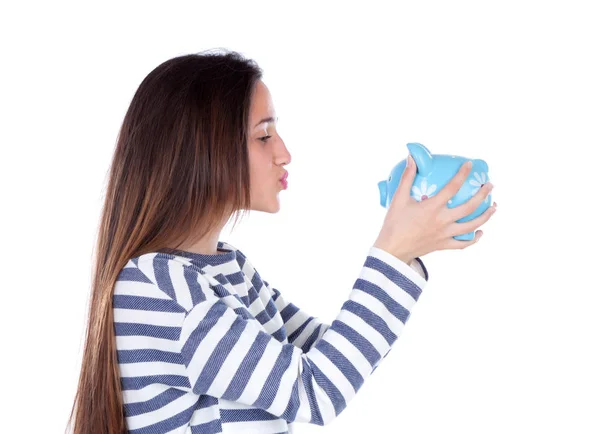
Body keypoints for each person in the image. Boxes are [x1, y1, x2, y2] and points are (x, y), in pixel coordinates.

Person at [68, 49, 497, 434]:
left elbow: (332, 354)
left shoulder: (229, 270)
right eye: (263, 135)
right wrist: (393, 251)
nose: (284, 153)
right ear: (202, 150)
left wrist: (407, 249)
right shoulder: (160, 290)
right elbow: (316, 390)